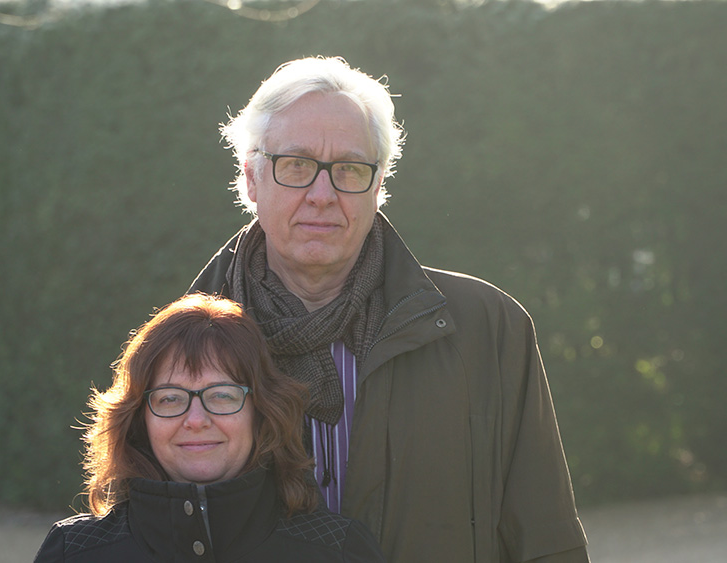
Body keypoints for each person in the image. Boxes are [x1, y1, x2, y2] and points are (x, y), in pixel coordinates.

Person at [189, 56, 590, 562]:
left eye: (350, 170)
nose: (322, 195)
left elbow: (545, 537)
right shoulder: (180, 345)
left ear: (379, 186)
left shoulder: (489, 328)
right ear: (251, 179)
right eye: (296, 166)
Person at [33, 293, 385, 562]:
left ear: (261, 411)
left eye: (221, 396)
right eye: (170, 398)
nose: (197, 420)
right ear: (140, 419)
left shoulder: (338, 552)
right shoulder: (74, 553)